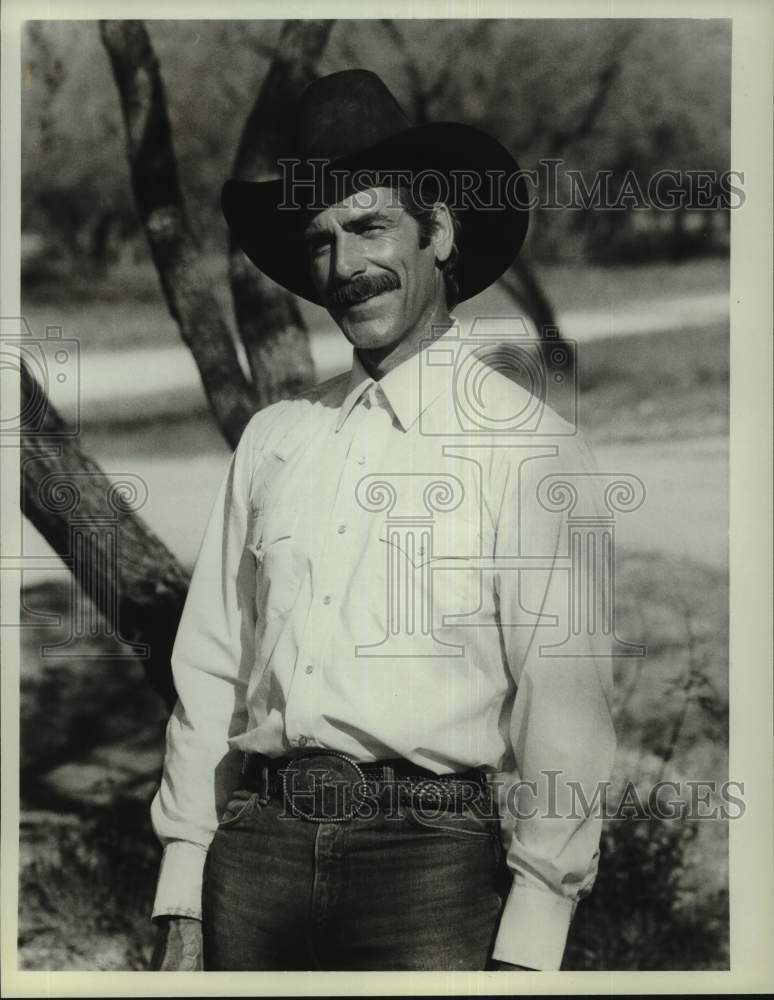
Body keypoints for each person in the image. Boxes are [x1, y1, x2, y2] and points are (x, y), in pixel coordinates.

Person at [150, 69, 616, 972]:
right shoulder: (276, 439)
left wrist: (534, 929)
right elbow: (210, 670)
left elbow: (567, 709)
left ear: (438, 230)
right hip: (258, 852)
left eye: (369, 227)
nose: (344, 267)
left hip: (431, 865)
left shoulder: (531, 449)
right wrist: (183, 888)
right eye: (319, 241)